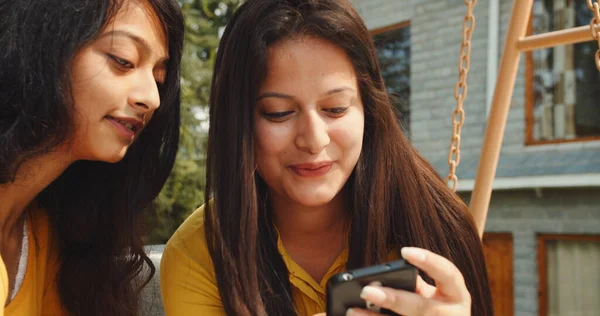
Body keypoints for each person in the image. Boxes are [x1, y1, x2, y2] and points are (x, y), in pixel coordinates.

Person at [160, 0, 493, 315]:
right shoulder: (199, 254)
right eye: (279, 113)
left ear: (370, 110)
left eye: (336, 108)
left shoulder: (435, 223)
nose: (314, 139)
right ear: (238, 122)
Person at [0, 0, 183, 314]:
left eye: (159, 79)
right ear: (41, 44)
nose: (152, 98)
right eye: (123, 60)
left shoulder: (46, 235)